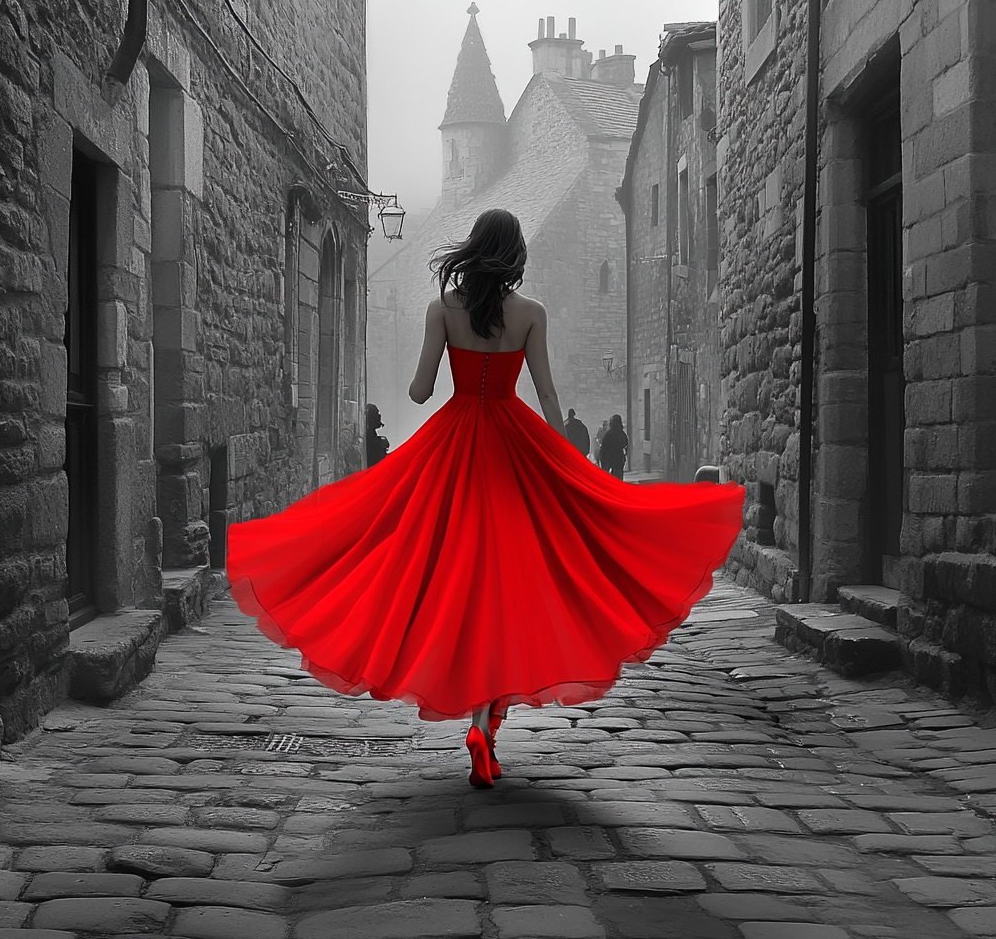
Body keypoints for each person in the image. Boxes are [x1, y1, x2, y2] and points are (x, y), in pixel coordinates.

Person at [226, 208, 743, 790]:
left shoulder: (442, 309)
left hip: (453, 448)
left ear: (473, 249)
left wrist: (437, 362)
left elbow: (420, 393)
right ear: (516, 254)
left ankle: (473, 715)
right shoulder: (532, 315)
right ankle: (485, 724)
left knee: (449, 576)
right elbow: (546, 392)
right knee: (510, 582)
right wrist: (566, 461)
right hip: (512, 448)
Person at [599, 413, 629, 480]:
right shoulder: (621, 433)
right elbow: (625, 443)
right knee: (618, 475)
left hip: (609, 457)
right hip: (618, 457)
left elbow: (604, 446)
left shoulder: (609, 433)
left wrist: (602, 457)